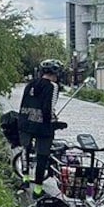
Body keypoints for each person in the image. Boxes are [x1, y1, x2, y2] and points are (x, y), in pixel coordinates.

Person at [18, 59, 63, 198]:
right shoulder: (52, 86)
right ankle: (38, 190)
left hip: (25, 122)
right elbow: (49, 107)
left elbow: (23, 103)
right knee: (42, 156)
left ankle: (25, 179)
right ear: (56, 73)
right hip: (42, 127)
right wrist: (54, 121)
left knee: (25, 149)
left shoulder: (30, 84)